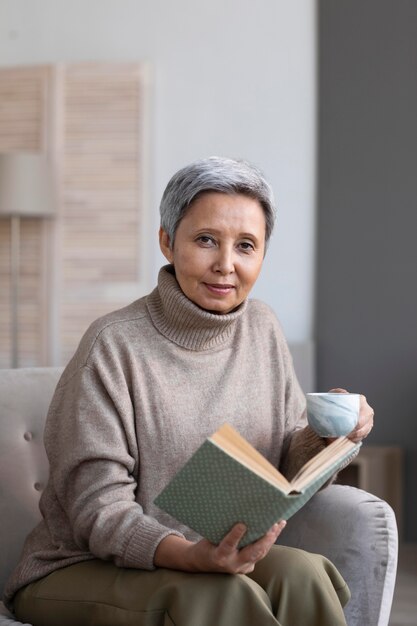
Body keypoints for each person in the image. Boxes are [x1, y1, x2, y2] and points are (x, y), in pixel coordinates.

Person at [5, 156, 374, 626]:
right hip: (80, 567)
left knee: (304, 574)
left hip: (216, 556)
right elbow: (96, 511)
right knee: (220, 598)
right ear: (166, 241)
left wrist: (330, 437)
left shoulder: (263, 329)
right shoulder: (113, 344)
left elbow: (284, 464)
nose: (225, 265)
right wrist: (194, 558)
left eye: (246, 246)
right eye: (205, 240)